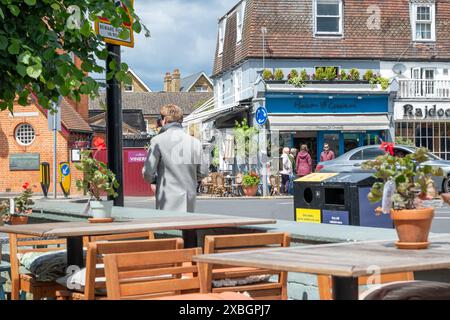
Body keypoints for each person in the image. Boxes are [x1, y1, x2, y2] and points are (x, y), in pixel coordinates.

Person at [143, 104, 208, 213]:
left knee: (168, 228)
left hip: (167, 197)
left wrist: (155, 181)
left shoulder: (158, 140)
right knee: (186, 228)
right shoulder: (194, 142)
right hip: (188, 197)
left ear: (164, 120)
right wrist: (189, 179)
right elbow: (203, 172)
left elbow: (148, 172)